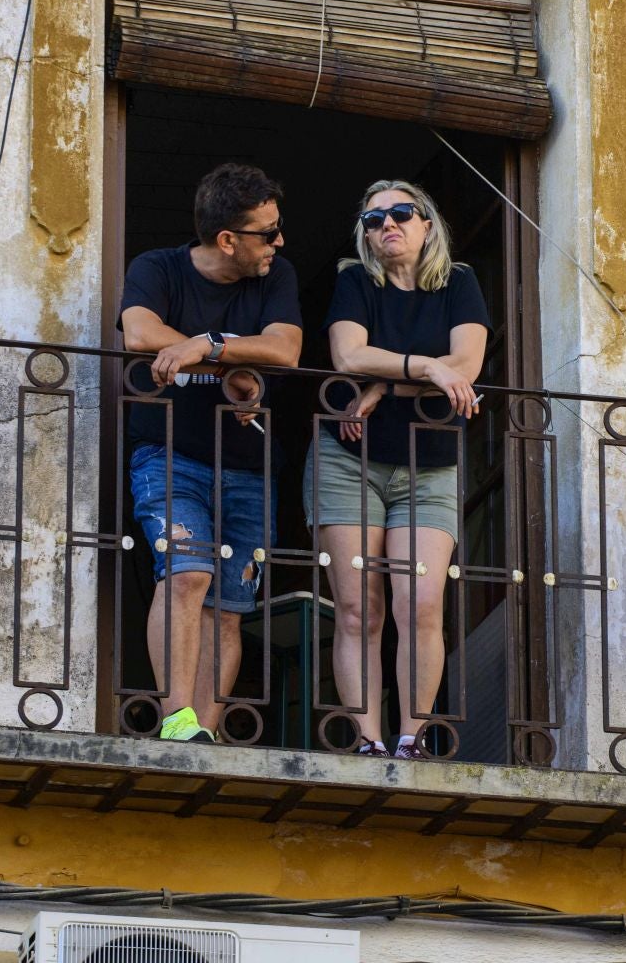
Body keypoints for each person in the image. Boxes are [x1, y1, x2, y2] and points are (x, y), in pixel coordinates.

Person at [118, 163, 303, 743]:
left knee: (228, 604)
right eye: (267, 233)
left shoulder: (276, 275)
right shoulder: (157, 267)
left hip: (249, 465)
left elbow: (286, 349)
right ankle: (176, 721)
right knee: (186, 574)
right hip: (168, 453)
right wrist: (230, 367)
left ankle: (205, 734)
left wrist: (210, 345)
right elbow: (139, 333)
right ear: (228, 239)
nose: (279, 241)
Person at [308, 179, 488, 759]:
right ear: (365, 234)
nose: (387, 224)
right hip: (349, 460)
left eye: (402, 213)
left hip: (430, 466)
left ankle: (411, 739)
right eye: (373, 218)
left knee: (422, 605)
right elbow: (349, 354)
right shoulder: (355, 281)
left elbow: (467, 364)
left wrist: (386, 384)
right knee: (359, 608)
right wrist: (428, 370)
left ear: (426, 225)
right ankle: (368, 741)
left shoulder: (458, 282)